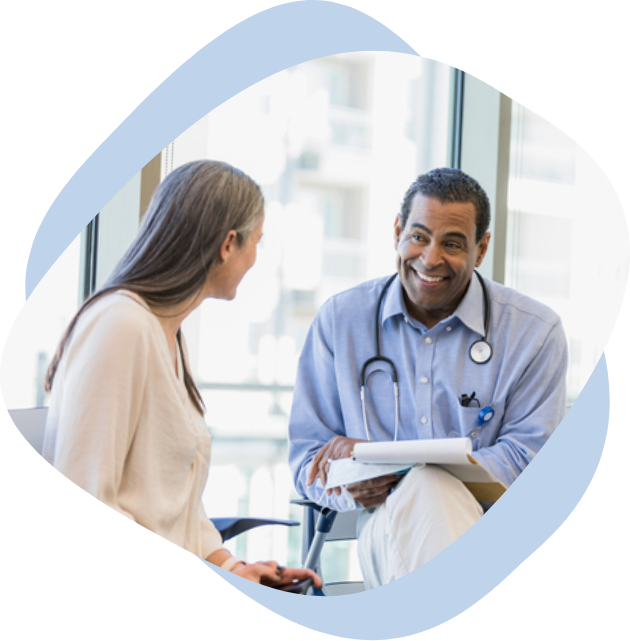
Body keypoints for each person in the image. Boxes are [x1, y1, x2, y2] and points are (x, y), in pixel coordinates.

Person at [43, 159, 321, 590]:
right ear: (229, 244)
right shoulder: (122, 325)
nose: (254, 260)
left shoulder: (166, 335)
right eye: (256, 244)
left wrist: (231, 565)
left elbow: (174, 505)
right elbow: (89, 487)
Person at [288, 167, 568, 589]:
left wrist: (391, 462)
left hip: (495, 534)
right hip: (385, 529)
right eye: (418, 236)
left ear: (481, 248)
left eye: (452, 244)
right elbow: (308, 461)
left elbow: (530, 460)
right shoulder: (341, 321)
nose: (430, 258)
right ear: (398, 231)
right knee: (427, 485)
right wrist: (353, 484)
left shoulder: (534, 332)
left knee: (431, 481)